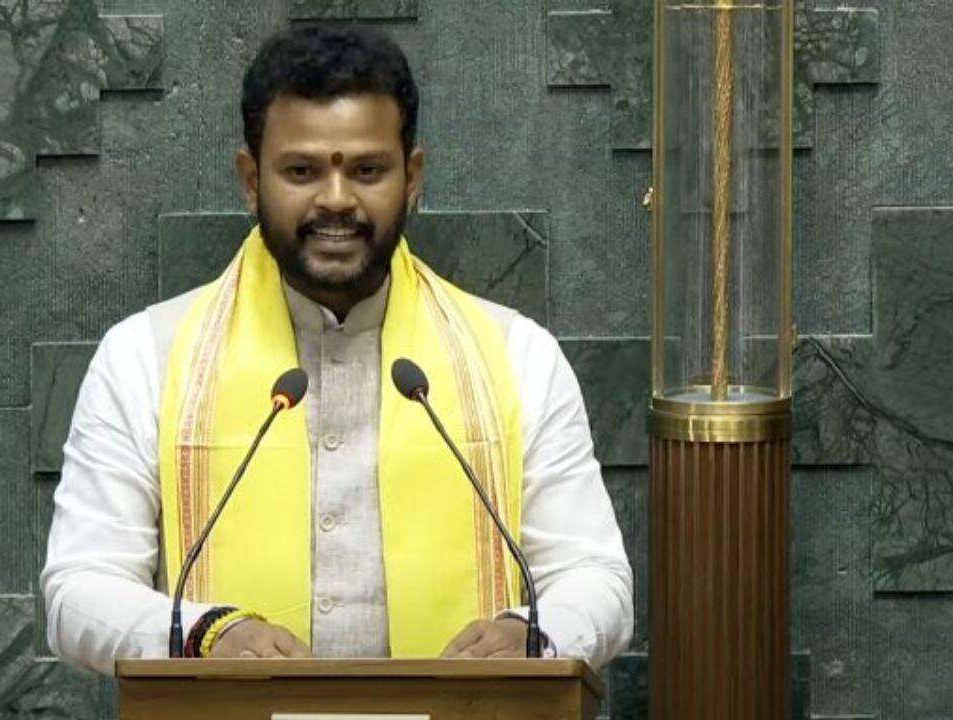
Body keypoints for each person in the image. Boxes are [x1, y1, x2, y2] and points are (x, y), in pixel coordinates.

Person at [40, 24, 633, 675]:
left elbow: (595, 578)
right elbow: (78, 590)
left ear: (412, 178)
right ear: (249, 179)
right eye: (301, 170)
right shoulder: (143, 358)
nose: (336, 199)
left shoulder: (518, 358)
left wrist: (533, 634)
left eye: (368, 170)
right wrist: (203, 634)